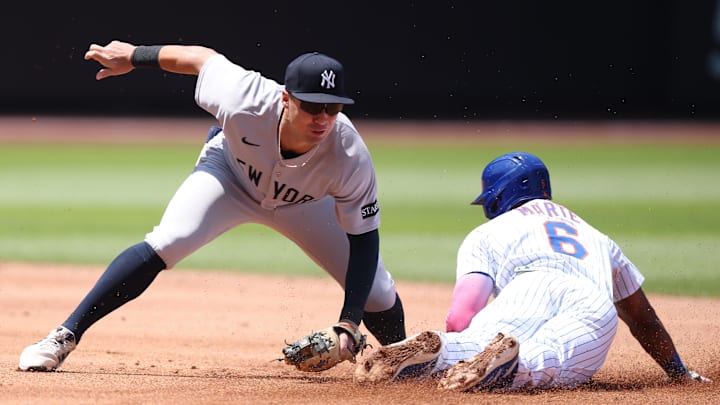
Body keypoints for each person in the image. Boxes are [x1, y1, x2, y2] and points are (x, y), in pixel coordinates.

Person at [18, 41, 406, 371]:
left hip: (305, 204)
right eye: (311, 106)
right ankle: (63, 336)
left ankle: (404, 364)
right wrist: (135, 54)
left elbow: (364, 238)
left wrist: (349, 324)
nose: (323, 117)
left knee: (377, 292)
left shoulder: (349, 152)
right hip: (230, 176)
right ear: (286, 98)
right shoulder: (244, 96)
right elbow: (200, 58)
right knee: (170, 239)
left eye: (332, 108)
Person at [354, 152, 711, 391]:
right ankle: (511, 365)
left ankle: (437, 350)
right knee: (547, 357)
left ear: (498, 197)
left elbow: (461, 314)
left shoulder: (490, 232)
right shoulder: (596, 236)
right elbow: (642, 318)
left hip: (525, 287)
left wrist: (460, 344)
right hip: (590, 299)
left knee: (475, 341)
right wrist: (679, 373)